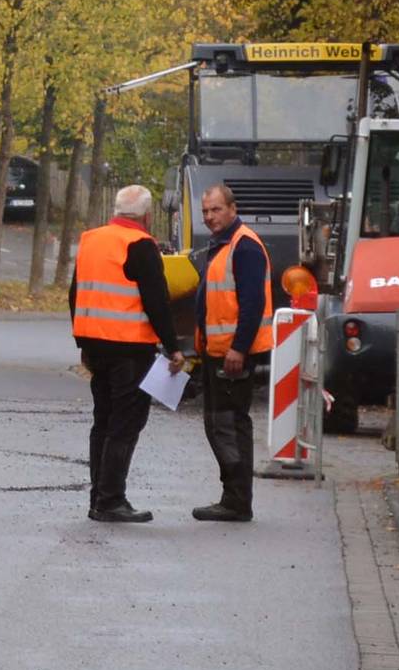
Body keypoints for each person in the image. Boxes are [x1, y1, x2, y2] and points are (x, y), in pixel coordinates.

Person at [71, 184, 190, 524]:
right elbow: (157, 301)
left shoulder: (91, 239)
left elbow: (74, 293)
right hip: (130, 349)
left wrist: (82, 343)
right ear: (148, 216)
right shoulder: (141, 245)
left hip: (95, 346)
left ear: (117, 209)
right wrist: (173, 347)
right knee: (125, 423)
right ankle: (111, 500)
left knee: (103, 421)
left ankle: (99, 497)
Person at [191, 182, 275, 522]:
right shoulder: (223, 245)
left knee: (228, 424)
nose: (210, 216)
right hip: (218, 352)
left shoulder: (245, 247)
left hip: (233, 354)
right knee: (218, 424)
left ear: (232, 209)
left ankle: (238, 500)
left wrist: (239, 348)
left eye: (216, 210)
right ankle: (232, 496)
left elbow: (252, 304)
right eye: (206, 211)